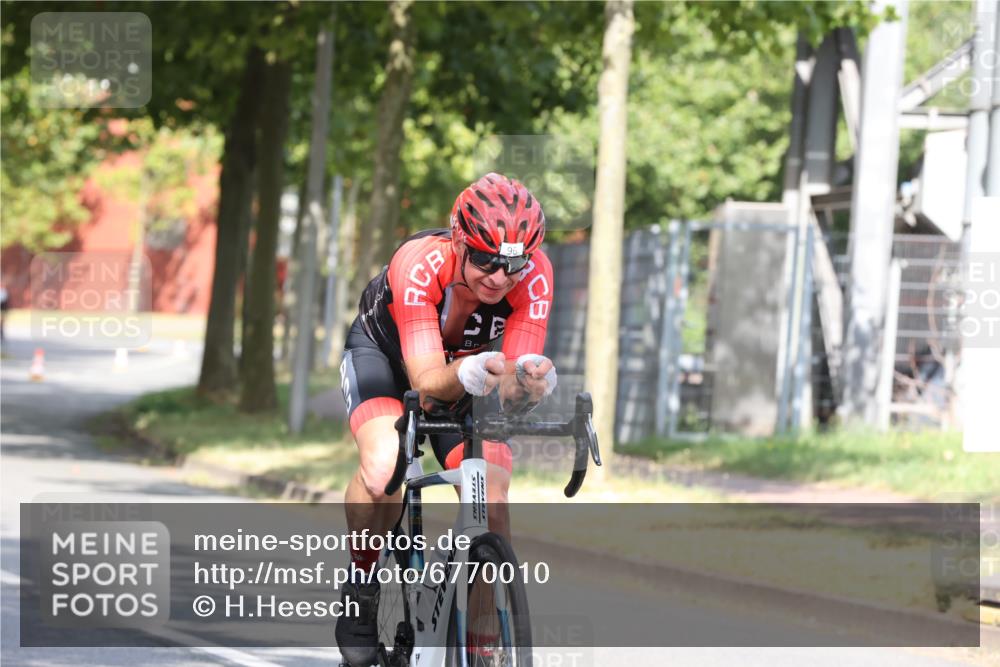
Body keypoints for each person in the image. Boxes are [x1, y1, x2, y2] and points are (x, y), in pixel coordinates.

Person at [335, 173, 557, 665]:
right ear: (459, 240)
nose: (500, 277)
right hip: (390, 363)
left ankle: (481, 644)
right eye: (483, 259)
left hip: (469, 373)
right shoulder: (419, 263)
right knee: (382, 469)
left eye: (513, 264)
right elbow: (428, 379)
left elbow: (513, 386)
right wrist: (474, 370)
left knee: (493, 488)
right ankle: (363, 583)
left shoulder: (536, 275)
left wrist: (530, 385)